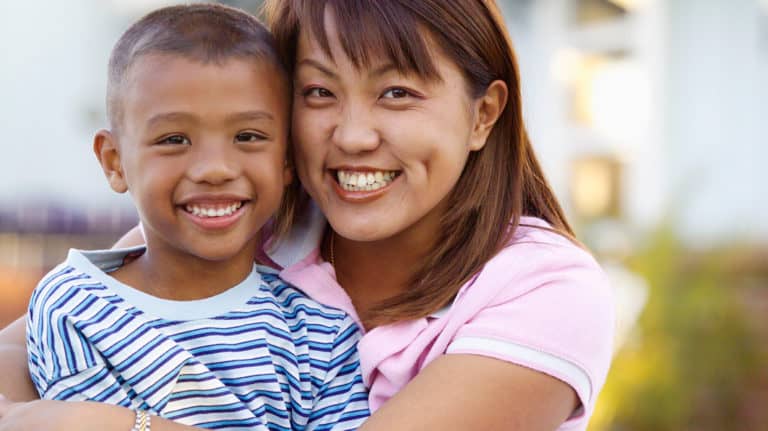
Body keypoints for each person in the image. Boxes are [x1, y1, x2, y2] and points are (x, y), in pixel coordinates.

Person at [0, 1, 615, 430]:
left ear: (483, 114)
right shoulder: (248, 227)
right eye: (318, 93)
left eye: (396, 93)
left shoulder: (544, 288)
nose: (351, 136)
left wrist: (105, 425)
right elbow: (31, 348)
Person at [0, 4, 369, 431]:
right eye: (175, 139)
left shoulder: (319, 335)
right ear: (114, 162)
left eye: (247, 137)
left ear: (286, 158)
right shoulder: (74, 305)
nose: (214, 168)